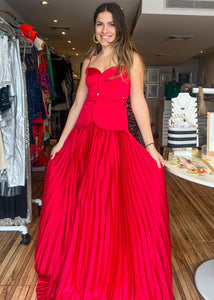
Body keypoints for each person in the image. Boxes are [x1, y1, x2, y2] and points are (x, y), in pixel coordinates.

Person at [35, 2, 173, 299]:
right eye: (100, 24)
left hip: (113, 141)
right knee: (80, 209)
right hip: (83, 141)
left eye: (111, 24)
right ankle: (80, 271)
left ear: (120, 28)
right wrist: (61, 141)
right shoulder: (88, 61)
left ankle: (104, 273)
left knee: (106, 210)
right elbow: (78, 104)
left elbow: (138, 103)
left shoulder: (131, 59)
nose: (105, 30)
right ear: (94, 29)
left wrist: (150, 147)